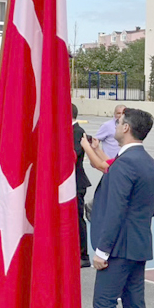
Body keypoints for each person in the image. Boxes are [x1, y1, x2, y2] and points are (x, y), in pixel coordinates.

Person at [78, 108, 154, 308]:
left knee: (103, 304)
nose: (114, 124)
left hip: (118, 248)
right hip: (138, 244)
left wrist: (101, 251)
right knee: (135, 307)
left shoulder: (126, 164)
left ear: (126, 128)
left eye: (117, 122)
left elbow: (115, 211)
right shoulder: (148, 163)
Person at [71, 104, 92, 268]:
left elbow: (73, 155)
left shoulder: (77, 132)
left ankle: (83, 254)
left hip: (76, 182)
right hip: (69, 182)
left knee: (78, 218)